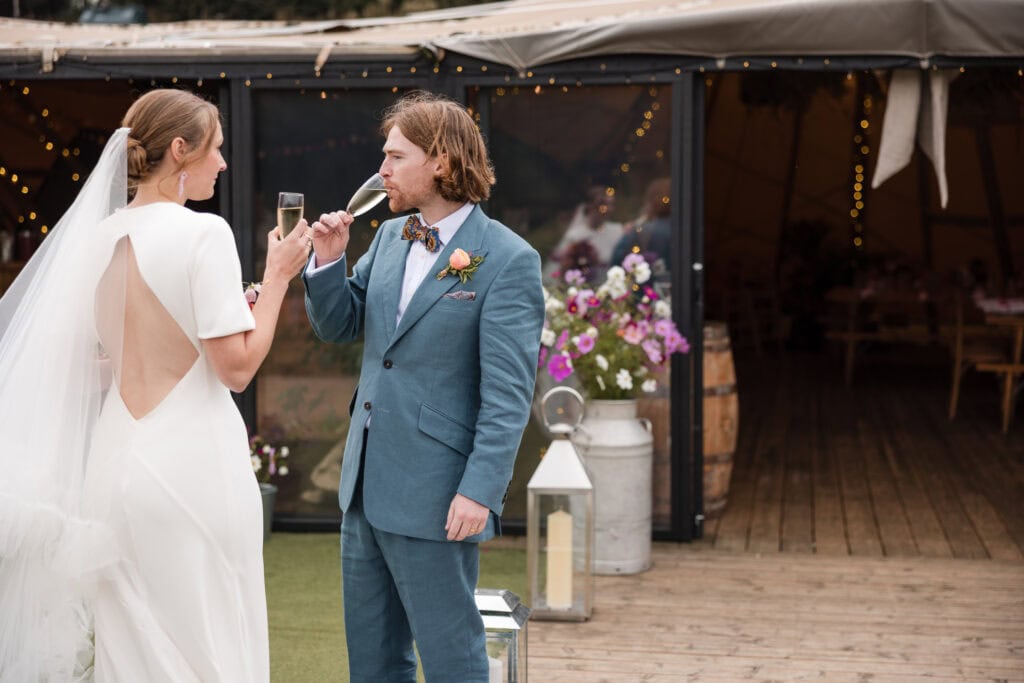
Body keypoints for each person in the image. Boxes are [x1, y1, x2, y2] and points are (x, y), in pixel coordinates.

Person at [0, 89, 311, 680]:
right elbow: (237, 369)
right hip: (192, 468)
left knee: (129, 649)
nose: (222, 163)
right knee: (211, 639)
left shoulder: (95, 238)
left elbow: (98, 363)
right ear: (179, 151)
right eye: (215, 149)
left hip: (115, 466)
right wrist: (275, 279)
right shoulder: (205, 233)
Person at [303, 91, 545, 681]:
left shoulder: (509, 259)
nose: (381, 170)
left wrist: (480, 490)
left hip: (439, 494)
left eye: (394, 156)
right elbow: (340, 326)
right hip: (364, 487)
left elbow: (509, 393)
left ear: (440, 161)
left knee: (452, 656)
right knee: (373, 659)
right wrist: (329, 262)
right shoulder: (389, 237)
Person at [546, 184, 624, 280]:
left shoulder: (617, 231)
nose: (609, 210)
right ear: (591, 206)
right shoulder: (575, 235)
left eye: (611, 205)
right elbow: (563, 267)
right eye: (603, 205)